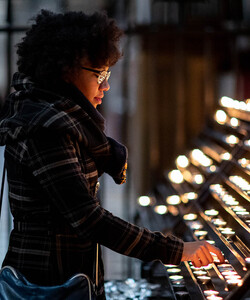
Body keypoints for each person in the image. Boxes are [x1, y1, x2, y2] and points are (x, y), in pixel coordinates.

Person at [0, 10, 224, 299]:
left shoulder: (66, 121)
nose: (105, 86)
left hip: (70, 278)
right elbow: (89, 220)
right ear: (67, 70)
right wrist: (176, 250)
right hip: (47, 285)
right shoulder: (46, 129)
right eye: (100, 74)